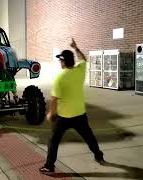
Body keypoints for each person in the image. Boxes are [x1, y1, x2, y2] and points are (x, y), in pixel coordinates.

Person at [39, 38, 104, 175]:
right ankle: (98, 155)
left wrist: (51, 113)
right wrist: (76, 48)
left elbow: (54, 99)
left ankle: (49, 166)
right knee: (89, 137)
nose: (60, 62)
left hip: (63, 117)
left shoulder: (60, 78)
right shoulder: (80, 70)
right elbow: (83, 58)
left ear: (63, 61)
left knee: (53, 141)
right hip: (80, 114)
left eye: (60, 60)